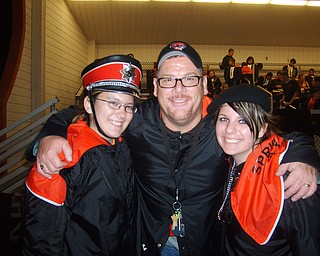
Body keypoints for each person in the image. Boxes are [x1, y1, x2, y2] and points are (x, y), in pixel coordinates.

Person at [25, 41, 319, 256]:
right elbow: (82, 114)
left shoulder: (223, 125)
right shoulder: (134, 120)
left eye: (189, 79)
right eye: (168, 80)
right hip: (147, 246)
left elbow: (279, 137)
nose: (178, 89)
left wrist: (305, 158)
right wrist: (51, 133)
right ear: (154, 88)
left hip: (206, 247)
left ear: (204, 84)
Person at [22, 54, 142, 255]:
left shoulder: (122, 145)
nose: (122, 114)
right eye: (113, 103)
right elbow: (41, 240)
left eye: (128, 106)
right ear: (88, 105)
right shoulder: (61, 158)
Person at [207, 84, 320, 255]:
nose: (229, 129)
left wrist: (305, 157)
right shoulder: (225, 165)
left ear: (262, 129)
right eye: (223, 119)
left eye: (242, 120)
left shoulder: (290, 182)